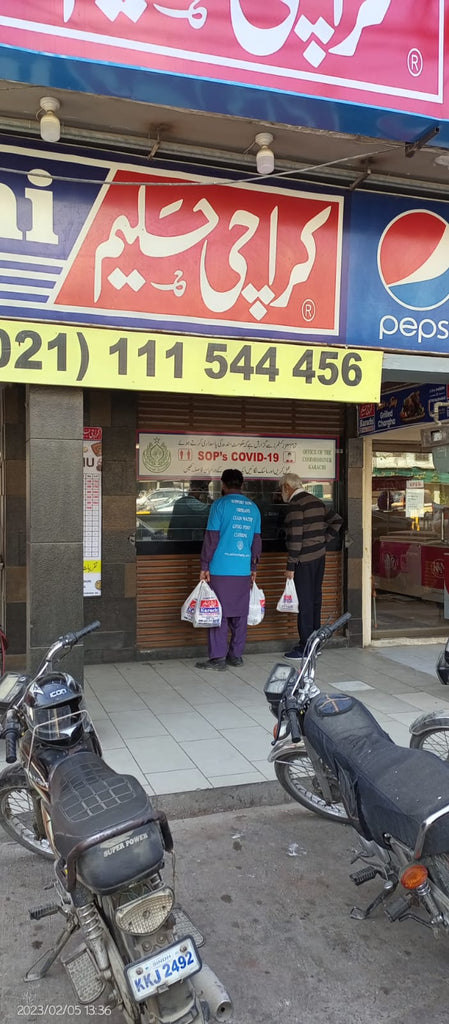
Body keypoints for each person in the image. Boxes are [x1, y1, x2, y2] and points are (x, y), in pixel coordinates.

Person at [195, 468, 262, 671]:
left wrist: (204, 565)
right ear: (241, 484)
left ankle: (218, 658)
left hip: (220, 568)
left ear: (223, 485)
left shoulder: (220, 505)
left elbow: (212, 537)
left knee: (219, 614)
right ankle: (236, 656)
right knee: (240, 615)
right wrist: (253, 567)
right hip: (242, 569)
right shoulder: (253, 508)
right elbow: (257, 542)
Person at [280, 472, 343, 660]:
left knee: (305, 603)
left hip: (303, 560)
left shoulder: (296, 505)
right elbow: (337, 520)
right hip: (319, 557)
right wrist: (323, 540)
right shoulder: (316, 501)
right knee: (315, 600)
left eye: (281, 489)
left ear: (287, 487)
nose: (281, 493)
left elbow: (296, 538)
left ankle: (305, 648)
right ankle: (315, 643)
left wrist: (290, 565)